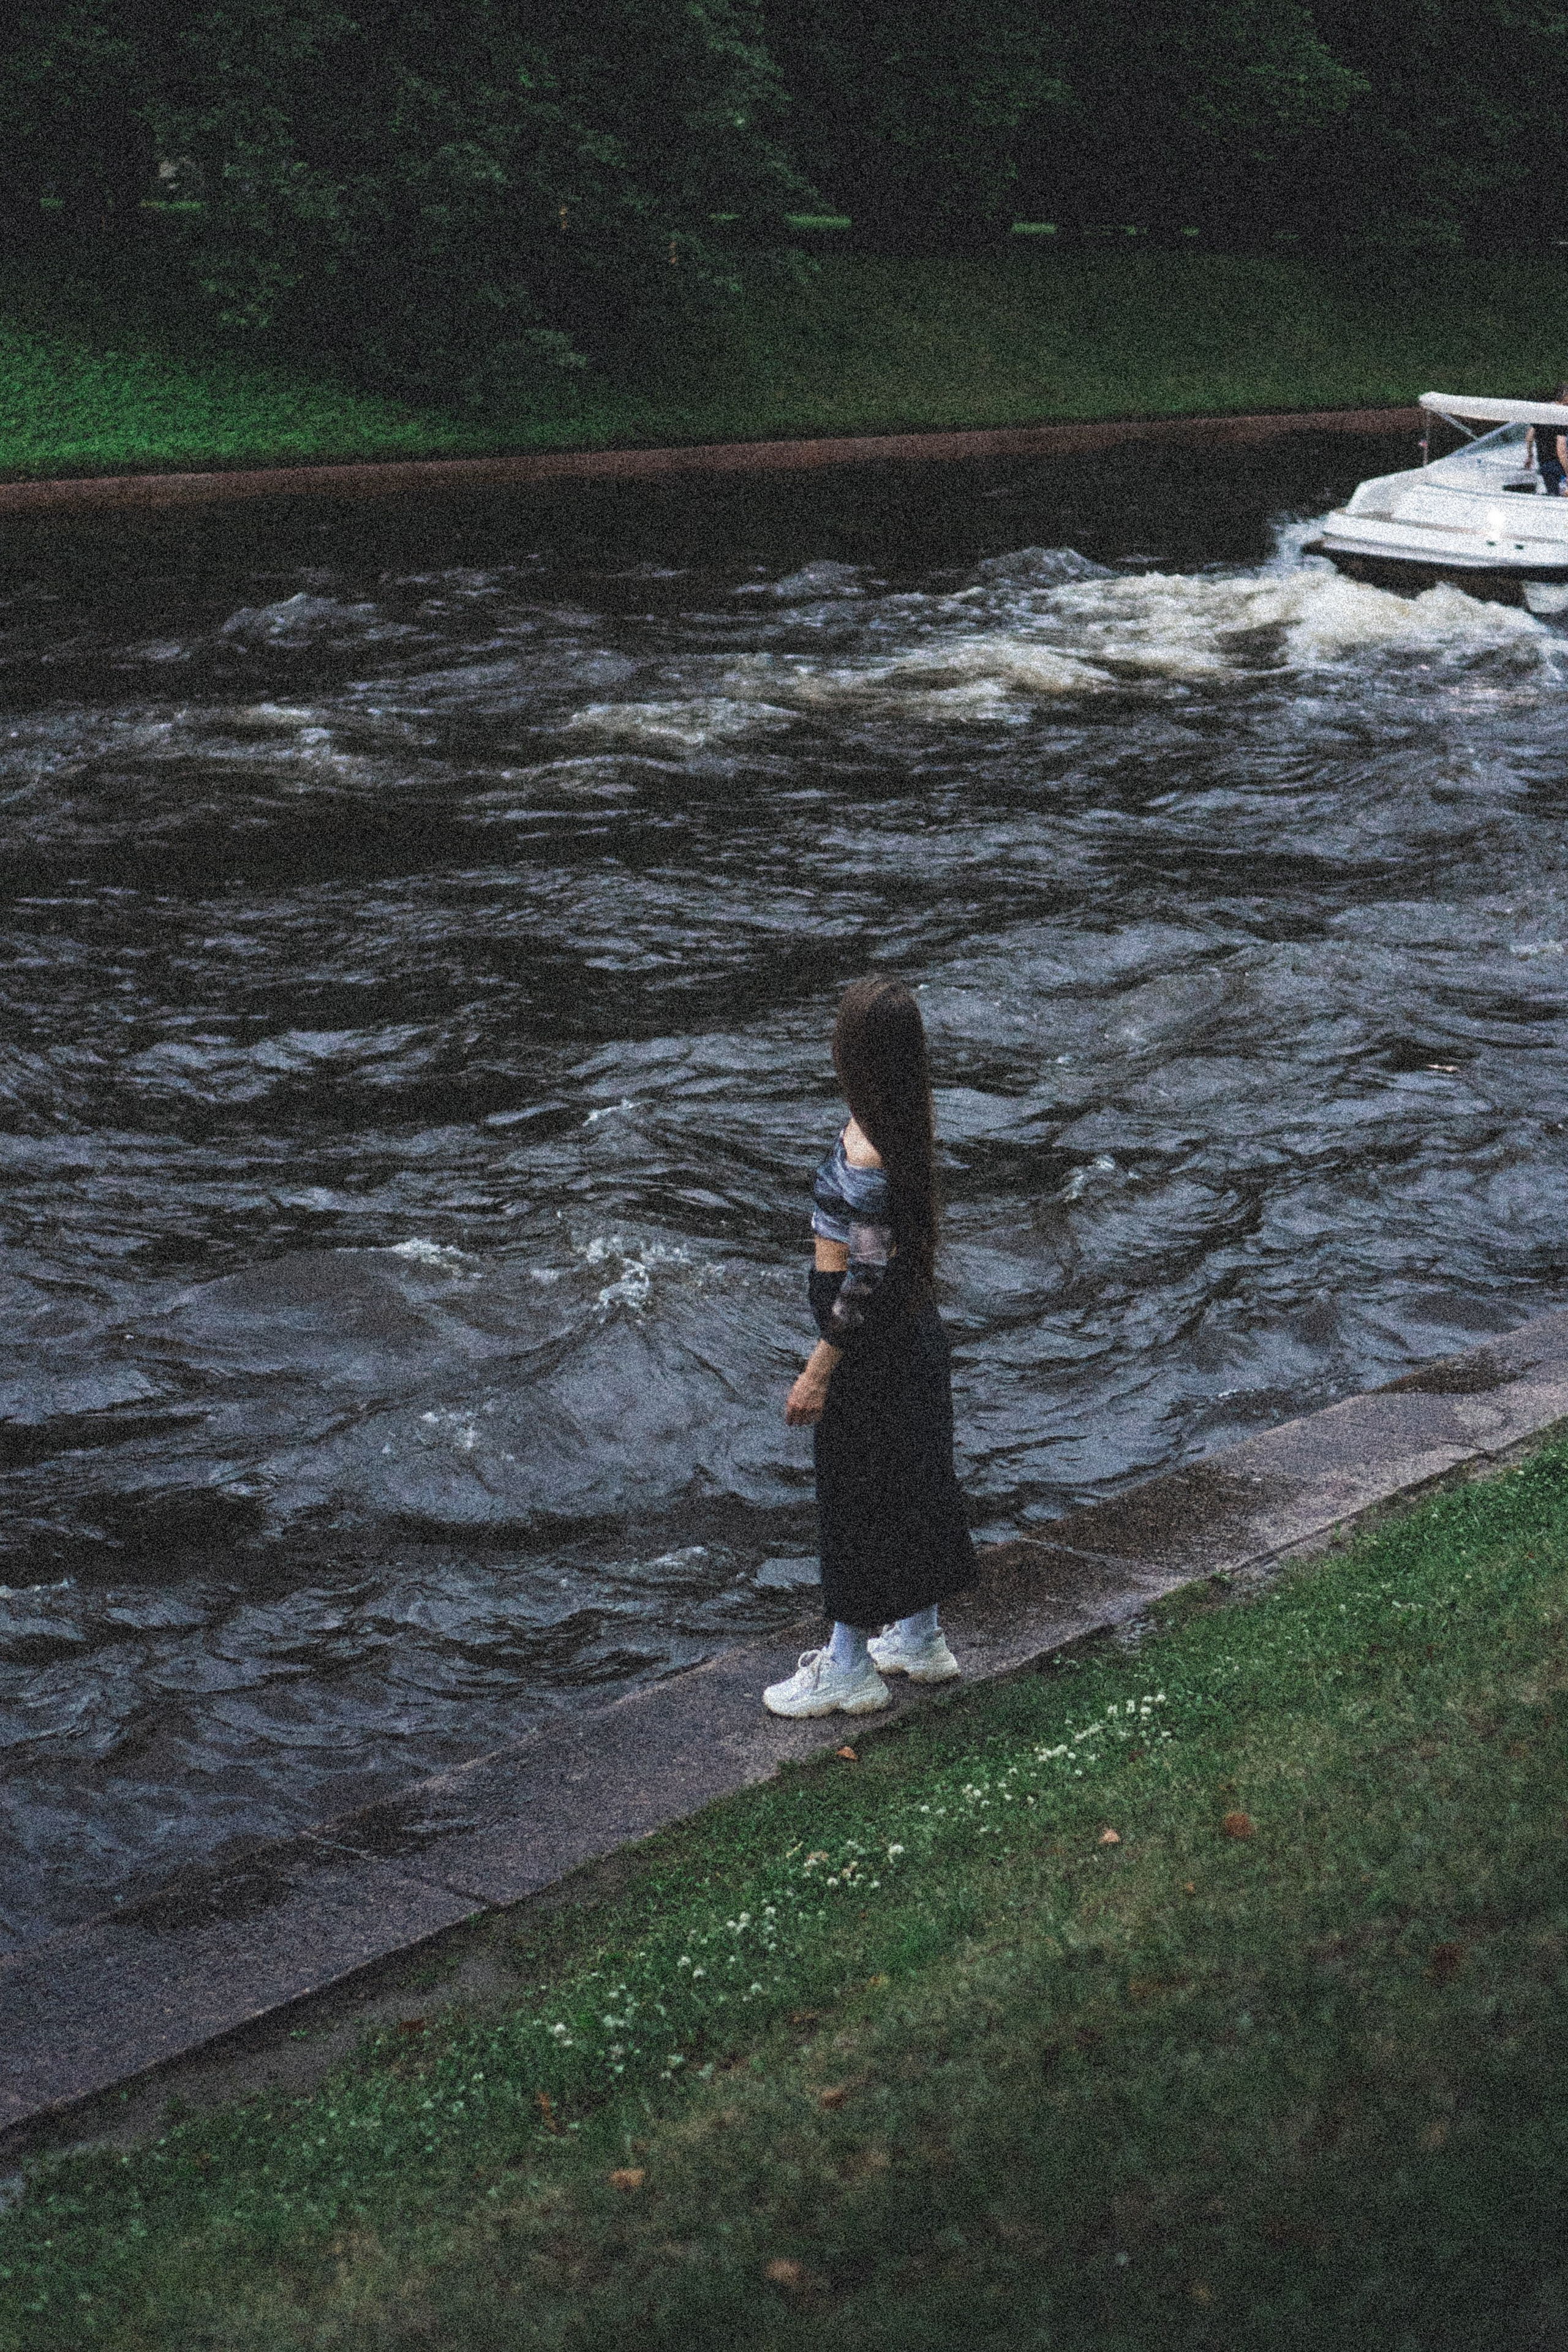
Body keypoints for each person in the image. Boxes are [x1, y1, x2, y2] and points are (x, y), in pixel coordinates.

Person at [764, 976, 978, 1719]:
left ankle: (849, 1667)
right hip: (913, 1327)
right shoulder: (905, 1120)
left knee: (854, 1495)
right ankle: (919, 1638)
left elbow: (863, 1278)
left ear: (852, 1050)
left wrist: (817, 1372)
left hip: (866, 1335)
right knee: (914, 1480)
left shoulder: (866, 1147)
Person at [1524, 388, 1568, 494]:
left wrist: (1530, 456)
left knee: (1553, 496)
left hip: (1544, 463)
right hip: (1559, 465)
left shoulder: (1543, 411)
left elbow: (1529, 437)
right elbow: (1561, 448)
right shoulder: (1562, 417)